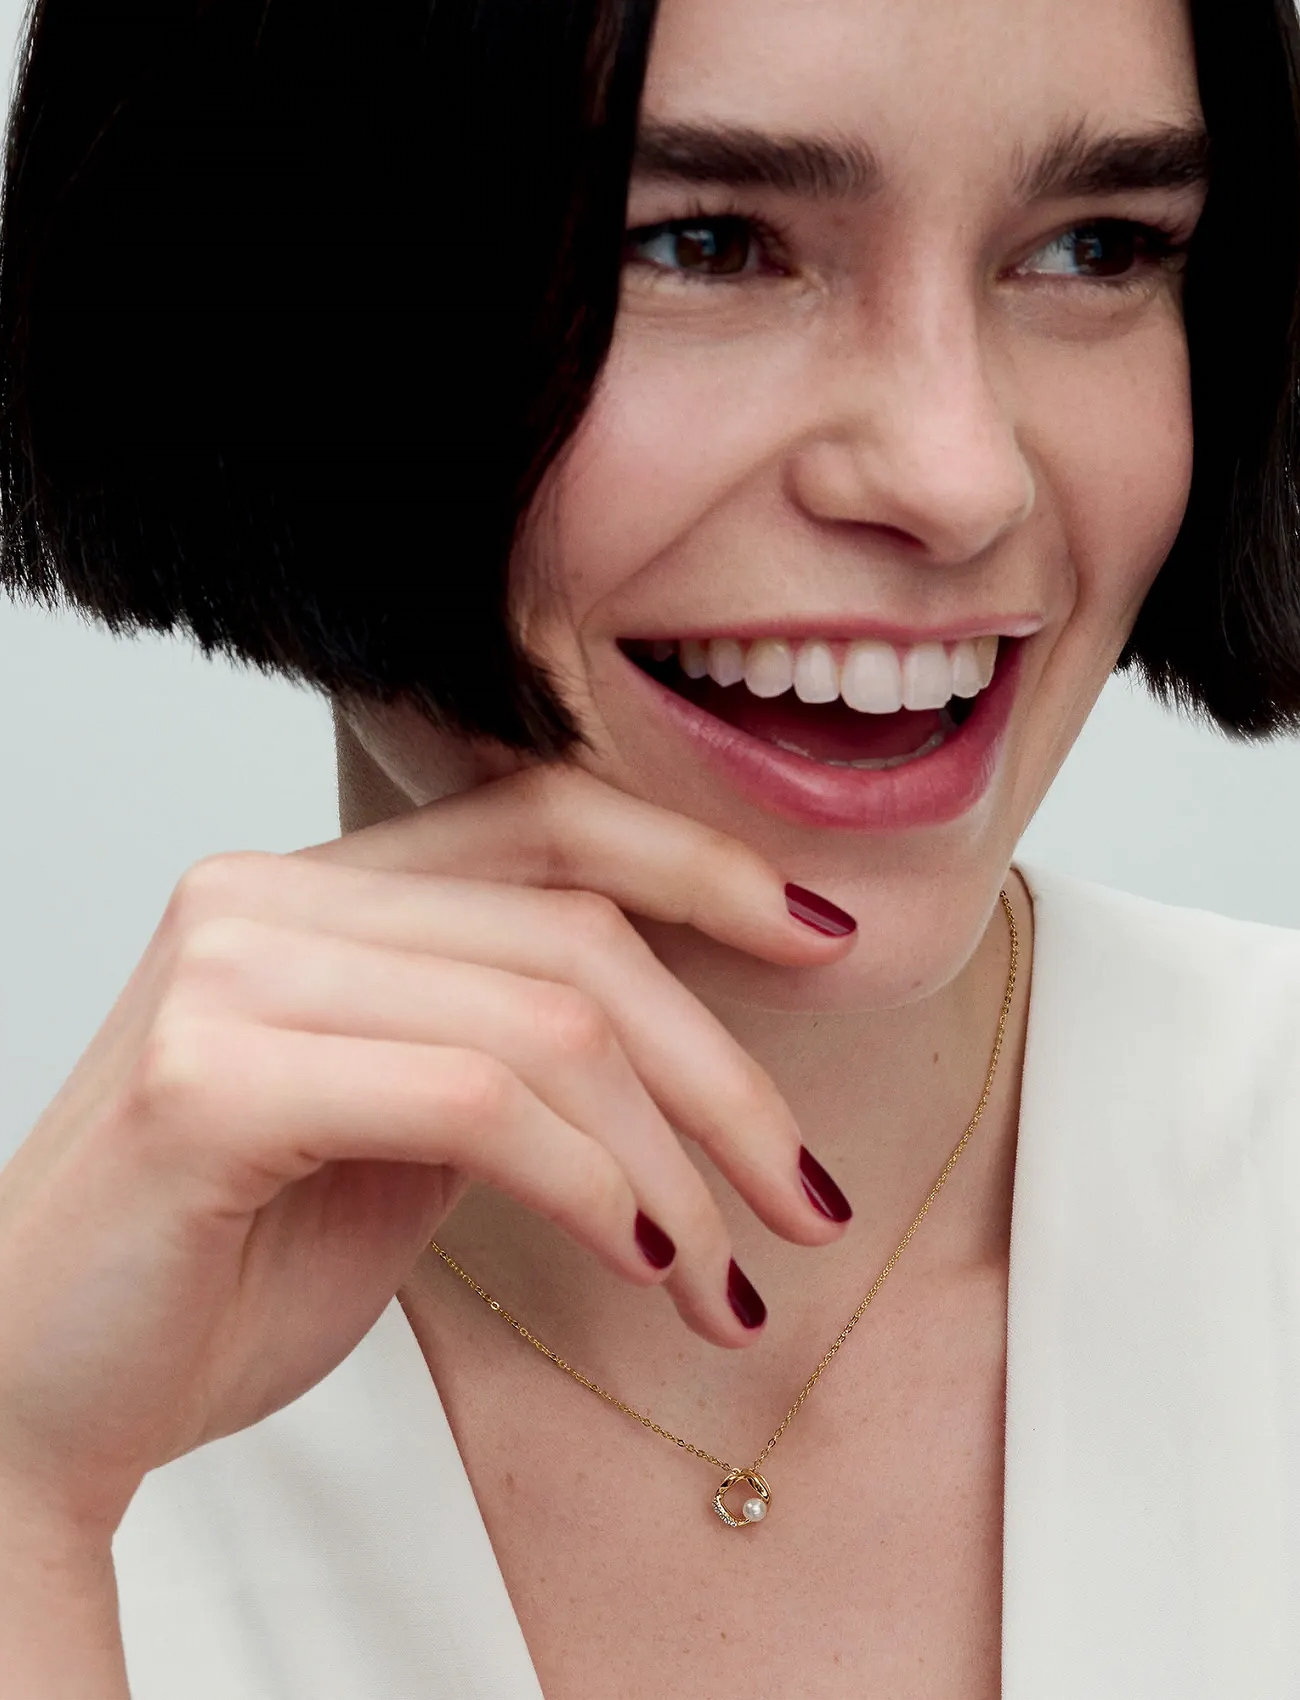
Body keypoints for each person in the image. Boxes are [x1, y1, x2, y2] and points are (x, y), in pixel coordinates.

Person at [1, 0, 1299, 1693]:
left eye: (1096, 247)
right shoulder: (54, 1401)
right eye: (704, 244)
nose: (959, 476)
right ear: (258, 285)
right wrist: (20, 1509)